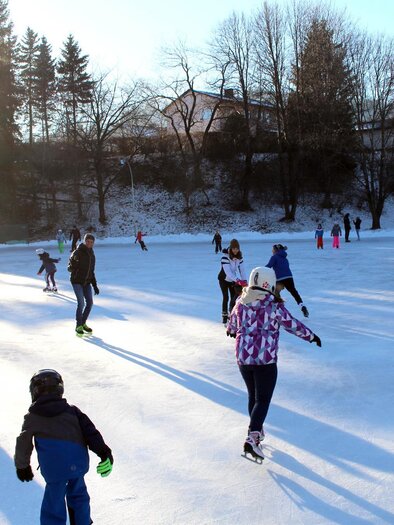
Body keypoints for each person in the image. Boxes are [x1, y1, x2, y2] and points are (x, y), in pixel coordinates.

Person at [226, 267, 321, 461]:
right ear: (268, 284)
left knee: (253, 396)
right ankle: (252, 438)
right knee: (262, 399)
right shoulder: (273, 306)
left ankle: (257, 431)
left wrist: (233, 329)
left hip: (243, 358)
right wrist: (311, 336)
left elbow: (232, 327)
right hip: (265, 359)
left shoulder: (240, 302)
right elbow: (292, 324)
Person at [14, 369, 113, 525]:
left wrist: (22, 465)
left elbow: (23, 442)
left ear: (34, 392)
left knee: (54, 502)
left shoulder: (32, 417)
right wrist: (104, 453)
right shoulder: (73, 411)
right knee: (79, 497)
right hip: (77, 465)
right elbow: (91, 432)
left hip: (54, 470)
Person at [68, 233, 99, 336]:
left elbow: (91, 271)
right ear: (85, 241)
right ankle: (78, 325)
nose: (90, 244)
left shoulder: (92, 255)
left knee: (90, 303)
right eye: (88, 241)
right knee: (81, 303)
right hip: (77, 281)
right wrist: (72, 265)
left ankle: (83, 322)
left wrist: (95, 285)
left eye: (91, 242)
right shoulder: (78, 252)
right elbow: (70, 266)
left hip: (86, 282)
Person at [266, 244, 309, 317]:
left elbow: (268, 266)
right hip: (289, 277)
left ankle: (280, 308)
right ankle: (302, 306)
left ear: (276, 250)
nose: (272, 251)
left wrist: (260, 270)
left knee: (275, 293)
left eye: (273, 250)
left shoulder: (274, 257)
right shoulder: (285, 258)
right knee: (294, 292)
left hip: (280, 279)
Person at [218, 238, 247, 324]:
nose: (235, 250)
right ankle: (224, 315)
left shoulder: (239, 257)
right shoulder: (225, 257)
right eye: (234, 248)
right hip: (223, 279)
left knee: (234, 297)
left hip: (232, 280)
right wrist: (238, 280)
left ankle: (233, 314)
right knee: (226, 297)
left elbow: (242, 270)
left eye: (237, 248)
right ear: (230, 248)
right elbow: (228, 272)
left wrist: (244, 280)